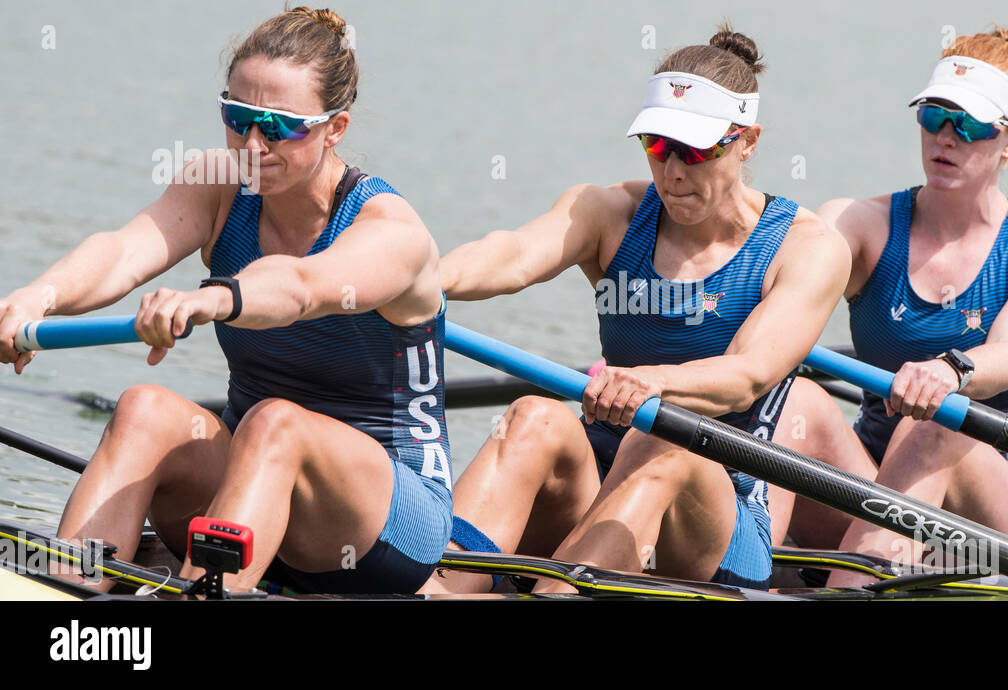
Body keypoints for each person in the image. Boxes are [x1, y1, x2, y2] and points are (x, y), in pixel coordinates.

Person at [0, 7, 452, 594]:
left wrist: (212, 297)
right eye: (237, 118)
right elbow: (123, 250)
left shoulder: (391, 230)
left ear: (335, 127)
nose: (253, 143)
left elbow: (300, 287)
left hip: (385, 522)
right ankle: (65, 594)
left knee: (275, 422)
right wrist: (36, 297)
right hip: (244, 487)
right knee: (143, 408)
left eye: (281, 125)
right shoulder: (218, 183)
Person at [427, 26, 848, 594]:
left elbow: (744, 377)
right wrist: (426, 284)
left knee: (662, 439)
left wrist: (650, 383)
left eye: (696, 151)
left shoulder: (807, 247)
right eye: (656, 144)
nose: (672, 171)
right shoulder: (610, 213)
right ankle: (438, 588)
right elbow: (514, 254)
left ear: (747, 140)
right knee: (532, 415)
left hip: (721, 515)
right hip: (602, 474)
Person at [767, 24, 1008, 585]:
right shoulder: (856, 223)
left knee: (935, 423)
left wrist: (952, 370)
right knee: (798, 400)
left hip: (990, 516)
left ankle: (848, 588)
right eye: (934, 115)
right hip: (873, 480)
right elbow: (775, 288)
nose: (947, 137)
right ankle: (737, 576)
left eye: (971, 124)